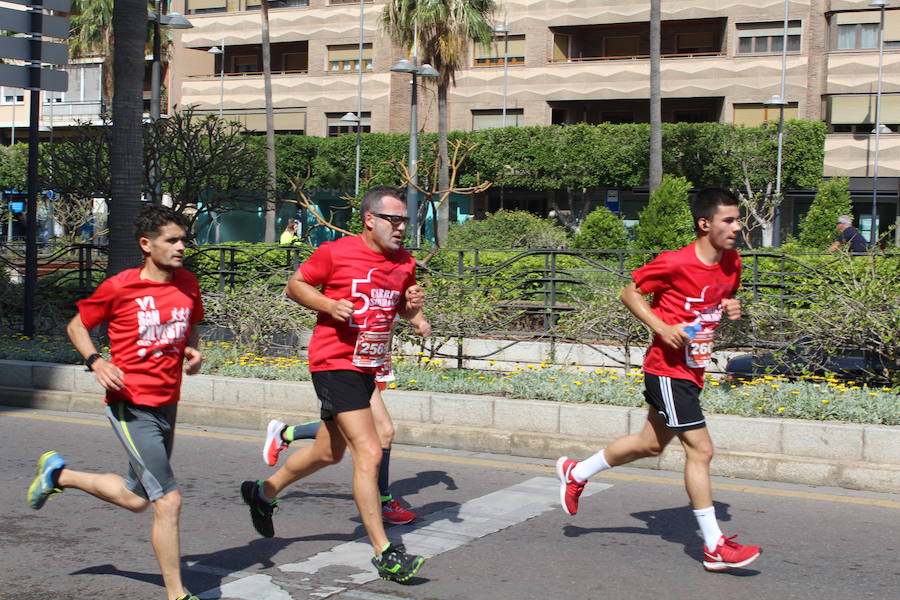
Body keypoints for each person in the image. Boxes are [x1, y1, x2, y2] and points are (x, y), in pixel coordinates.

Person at [556, 188, 762, 572]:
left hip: (693, 368)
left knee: (649, 446)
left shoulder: (732, 262)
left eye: (739, 219)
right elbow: (629, 292)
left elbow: (720, 301)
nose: (738, 226)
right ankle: (714, 546)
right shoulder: (674, 262)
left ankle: (576, 471)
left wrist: (733, 308)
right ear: (705, 224)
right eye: (729, 220)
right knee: (701, 450)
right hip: (666, 370)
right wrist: (660, 325)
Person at [240, 185, 429, 583]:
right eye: (392, 220)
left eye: (404, 221)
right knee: (370, 448)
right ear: (370, 219)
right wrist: (328, 305)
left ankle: (264, 491)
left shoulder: (404, 262)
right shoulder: (335, 252)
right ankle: (384, 552)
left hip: (368, 365)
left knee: (329, 452)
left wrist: (414, 312)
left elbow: (396, 307)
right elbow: (295, 286)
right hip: (333, 361)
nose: (399, 228)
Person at [27, 205, 204, 600]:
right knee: (168, 499)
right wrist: (97, 361)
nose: (180, 248)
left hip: (166, 403)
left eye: (183, 240)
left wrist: (192, 351)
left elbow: (190, 326)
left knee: (136, 498)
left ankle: (59, 475)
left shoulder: (187, 283)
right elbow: (77, 326)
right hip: (131, 405)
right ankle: (178, 594)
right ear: (146, 244)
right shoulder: (120, 286)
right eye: (171, 241)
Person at [262, 312, 431, 526]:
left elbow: (405, 307)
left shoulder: (397, 281)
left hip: (375, 359)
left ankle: (286, 435)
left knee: (352, 430)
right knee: (382, 431)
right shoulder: (361, 281)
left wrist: (420, 320)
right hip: (351, 362)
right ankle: (383, 502)